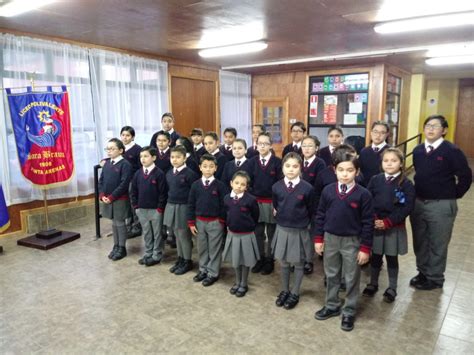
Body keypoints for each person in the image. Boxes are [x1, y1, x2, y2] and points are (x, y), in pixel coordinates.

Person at [410, 115, 472, 290]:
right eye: (428, 125)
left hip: (442, 204)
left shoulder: (452, 151)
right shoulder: (418, 150)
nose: (430, 129)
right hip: (419, 202)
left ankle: (435, 277)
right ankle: (422, 272)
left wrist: (453, 194)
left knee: (438, 242)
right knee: (420, 240)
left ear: (444, 130)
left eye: (435, 126)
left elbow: (466, 176)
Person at [313, 151, 374, 332]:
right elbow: (320, 215)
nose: (345, 174)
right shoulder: (328, 190)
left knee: (351, 276)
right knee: (331, 274)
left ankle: (349, 309)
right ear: (334, 170)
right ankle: (332, 305)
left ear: (357, 171)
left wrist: (365, 248)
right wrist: (318, 238)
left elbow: (368, 223)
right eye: (341, 170)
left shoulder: (363, 194)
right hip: (330, 239)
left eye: (349, 170)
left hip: (352, 242)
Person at [363, 148, 415, 302]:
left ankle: (392, 287)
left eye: (394, 161)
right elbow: (367, 199)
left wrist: (388, 222)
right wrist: (374, 219)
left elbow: (407, 207)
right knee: (376, 256)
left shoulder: (406, 183)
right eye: (386, 161)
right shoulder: (375, 179)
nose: (389, 164)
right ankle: (373, 283)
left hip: (394, 226)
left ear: (401, 163)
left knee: (391, 257)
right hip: (376, 224)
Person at [272, 153, 315, 309]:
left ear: (300, 168)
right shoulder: (276, 186)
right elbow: (276, 205)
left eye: (295, 166)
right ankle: (284, 290)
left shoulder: (307, 188)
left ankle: (295, 292)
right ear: (282, 167)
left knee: (298, 263)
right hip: (282, 228)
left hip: (300, 230)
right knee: (283, 262)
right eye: (287, 166)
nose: (291, 169)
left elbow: (311, 210)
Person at [188, 154, 227, 287]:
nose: (208, 169)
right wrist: (191, 222)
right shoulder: (195, 185)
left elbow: (224, 205)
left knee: (214, 248)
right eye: (205, 166)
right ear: (200, 168)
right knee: (202, 247)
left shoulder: (220, 186)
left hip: (215, 222)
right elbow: (191, 204)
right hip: (199, 222)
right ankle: (203, 269)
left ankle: (213, 273)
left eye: (211, 166)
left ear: (216, 168)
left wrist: (222, 221)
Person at [247, 132, 283, 275]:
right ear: (256, 145)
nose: (262, 146)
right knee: (258, 232)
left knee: (272, 232)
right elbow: (248, 183)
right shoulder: (251, 161)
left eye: (265, 143)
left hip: (271, 202)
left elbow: (280, 185)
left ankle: (270, 260)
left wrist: (277, 204)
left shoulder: (277, 162)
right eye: (259, 143)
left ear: (270, 145)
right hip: (256, 201)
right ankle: (259, 258)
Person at [222, 171, 260, 297]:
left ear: (246, 187)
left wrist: (249, 227)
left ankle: (244, 283)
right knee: (236, 260)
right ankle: (237, 281)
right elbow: (226, 213)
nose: (239, 186)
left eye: (242, 184)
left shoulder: (251, 200)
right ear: (231, 183)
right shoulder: (227, 198)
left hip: (246, 234)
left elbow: (255, 216)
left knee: (245, 261)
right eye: (236, 183)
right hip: (233, 234)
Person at [163, 146, 200, 275]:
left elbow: (194, 194)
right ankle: (180, 258)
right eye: (172, 157)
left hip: (184, 207)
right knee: (176, 235)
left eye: (178, 157)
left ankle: (187, 260)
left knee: (184, 235)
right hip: (172, 205)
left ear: (185, 158)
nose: (175, 160)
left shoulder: (190, 174)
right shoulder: (169, 173)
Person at [130, 146, 168, 267]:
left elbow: (163, 193)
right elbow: (133, 191)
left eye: (146, 156)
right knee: (146, 232)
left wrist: (159, 209)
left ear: (154, 157)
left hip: (155, 210)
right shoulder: (138, 173)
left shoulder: (159, 174)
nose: (143, 159)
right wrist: (136, 207)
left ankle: (156, 254)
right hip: (142, 209)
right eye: (141, 156)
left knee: (157, 233)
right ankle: (148, 253)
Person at [98, 138, 133, 261]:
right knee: (113, 223)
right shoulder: (107, 163)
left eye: (112, 149)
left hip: (119, 199)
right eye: (108, 149)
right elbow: (101, 180)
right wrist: (102, 195)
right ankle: (116, 245)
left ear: (121, 150)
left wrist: (112, 197)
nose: (109, 151)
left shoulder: (125, 164)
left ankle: (122, 247)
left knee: (120, 222)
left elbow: (124, 184)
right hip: (107, 198)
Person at [300, 135, 326, 274]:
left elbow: (318, 186)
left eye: (310, 145)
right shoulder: (298, 161)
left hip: (313, 203)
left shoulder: (319, 163)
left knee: (310, 232)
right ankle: (299, 258)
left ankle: (308, 260)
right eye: (304, 145)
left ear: (316, 148)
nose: (307, 148)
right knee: (299, 232)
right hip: (297, 202)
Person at [120, 126, 142, 238]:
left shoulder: (138, 149)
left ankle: (137, 226)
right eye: (123, 135)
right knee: (125, 204)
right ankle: (128, 226)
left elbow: (140, 167)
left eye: (128, 135)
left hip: (132, 181)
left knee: (133, 204)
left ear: (132, 137)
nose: (125, 137)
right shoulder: (119, 148)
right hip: (121, 181)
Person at [359, 121, 390, 186]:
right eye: (375, 132)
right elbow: (360, 172)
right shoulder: (364, 151)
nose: (378, 135)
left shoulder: (391, 152)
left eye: (382, 132)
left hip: (384, 187)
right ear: (371, 132)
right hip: (365, 188)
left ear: (387, 134)